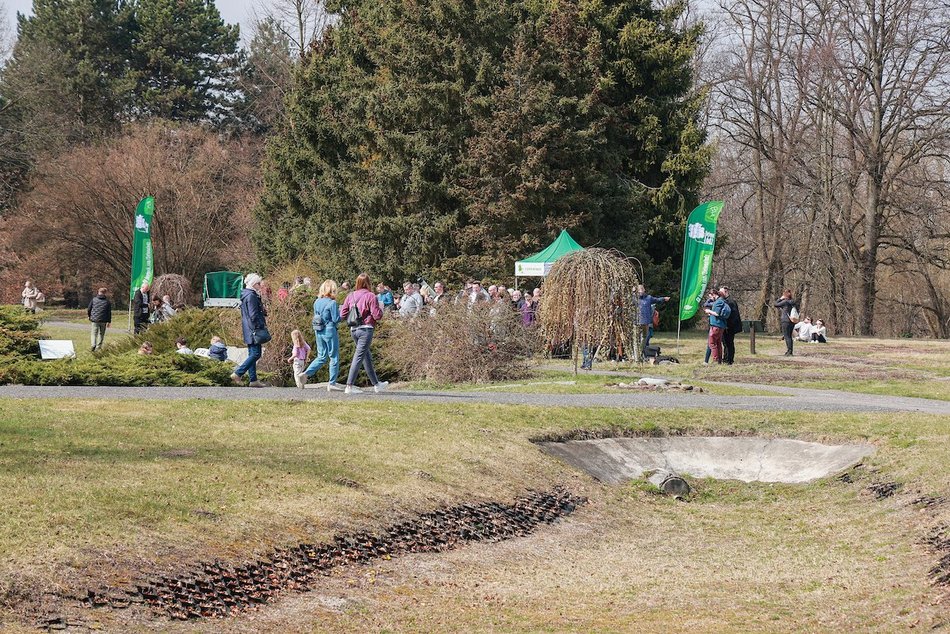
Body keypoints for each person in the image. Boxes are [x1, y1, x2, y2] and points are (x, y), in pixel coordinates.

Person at [340, 273, 387, 395]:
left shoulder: (350, 296)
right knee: (359, 356)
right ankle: (349, 386)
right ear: (368, 283)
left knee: (366, 356)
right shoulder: (371, 296)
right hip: (366, 329)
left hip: (353, 330)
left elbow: (342, 314)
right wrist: (381, 310)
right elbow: (377, 315)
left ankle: (376, 384)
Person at [301, 279, 344, 391]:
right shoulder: (332, 303)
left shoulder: (316, 302)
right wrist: (343, 313)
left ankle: (306, 373)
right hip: (330, 330)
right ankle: (332, 383)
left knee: (321, 356)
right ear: (333, 290)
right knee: (333, 357)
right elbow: (336, 319)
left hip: (318, 330)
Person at [231, 273, 269, 387]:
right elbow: (253, 315)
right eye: (258, 284)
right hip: (254, 329)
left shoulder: (245, 294)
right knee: (256, 354)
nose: (260, 286)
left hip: (248, 329)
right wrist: (259, 325)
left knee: (252, 354)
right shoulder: (251, 296)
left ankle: (253, 380)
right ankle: (238, 373)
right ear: (253, 284)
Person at [704, 289, 732, 364]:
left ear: (713, 294)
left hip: (716, 326)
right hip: (721, 326)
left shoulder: (718, 302)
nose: (710, 299)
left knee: (712, 343)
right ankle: (719, 360)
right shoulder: (722, 301)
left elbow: (717, 313)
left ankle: (716, 360)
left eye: (711, 297)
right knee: (718, 343)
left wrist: (708, 311)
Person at [718, 286, 742, 365]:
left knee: (729, 343)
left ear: (725, 292)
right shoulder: (726, 301)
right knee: (725, 343)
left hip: (730, 326)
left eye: (721, 293)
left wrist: (728, 325)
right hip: (727, 325)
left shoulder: (731, 302)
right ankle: (726, 358)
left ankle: (729, 360)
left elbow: (733, 315)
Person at [87, 287, 112, 352]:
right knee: (101, 334)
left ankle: (93, 344)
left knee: (94, 333)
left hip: (94, 320)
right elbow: (109, 312)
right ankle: (98, 347)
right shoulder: (107, 302)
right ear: (105, 293)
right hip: (103, 320)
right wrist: (109, 321)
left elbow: (89, 308)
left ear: (98, 292)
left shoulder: (94, 299)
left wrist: (89, 316)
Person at [774, 289, 798, 356]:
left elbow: (775, 304)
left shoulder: (785, 302)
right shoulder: (793, 302)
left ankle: (789, 351)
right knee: (789, 336)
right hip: (792, 320)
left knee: (787, 336)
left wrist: (780, 298)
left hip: (785, 320)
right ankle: (790, 350)